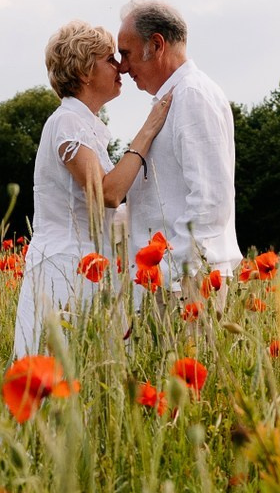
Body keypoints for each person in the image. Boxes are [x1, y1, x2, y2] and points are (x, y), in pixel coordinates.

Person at [11, 20, 172, 358]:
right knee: (57, 369)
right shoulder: (67, 121)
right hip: (65, 266)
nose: (121, 67)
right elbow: (107, 194)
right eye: (109, 59)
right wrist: (147, 131)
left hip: (87, 264)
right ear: (85, 71)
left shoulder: (84, 124)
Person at [116, 0, 241, 297]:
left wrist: (166, 271)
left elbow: (211, 201)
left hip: (187, 282)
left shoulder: (193, 96)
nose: (122, 67)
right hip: (172, 280)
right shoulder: (176, 98)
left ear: (156, 45)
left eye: (126, 54)